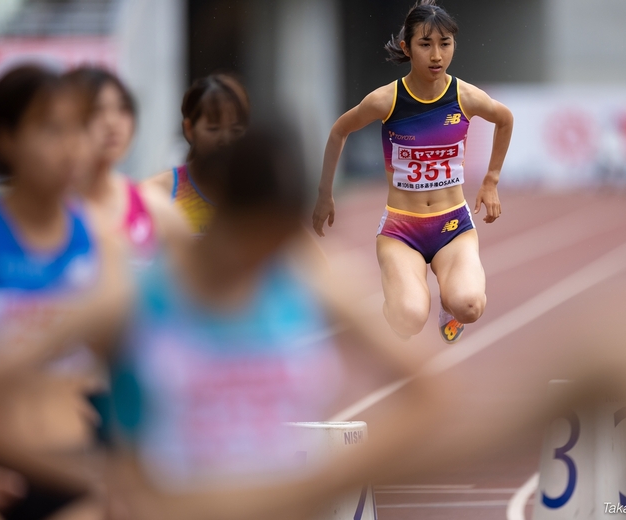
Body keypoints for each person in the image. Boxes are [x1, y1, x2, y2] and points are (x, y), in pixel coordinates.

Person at [104, 121, 449, 520]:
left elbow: (430, 391)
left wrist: (328, 480)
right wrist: (100, 477)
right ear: (222, 208)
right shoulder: (137, 298)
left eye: (283, 238)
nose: (268, 254)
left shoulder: (306, 277)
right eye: (258, 236)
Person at [311, 0, 513, 343]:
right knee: (407, 320)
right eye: (425, 44)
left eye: (445, 44)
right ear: (406, 47)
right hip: (402, 231)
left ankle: (449, 305)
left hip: (453, 226)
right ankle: (402, 295)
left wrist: (491, 180)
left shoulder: (465, 96)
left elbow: (504, 119)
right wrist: (324, 195)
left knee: (469, 304)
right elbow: (339, 131)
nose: (436, 55)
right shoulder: (386, 100)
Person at [0, 64, 113, 520]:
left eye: (78, 129)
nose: (70, 147)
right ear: (6, 137)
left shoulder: (103, 240)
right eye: (50, 128)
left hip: (84, 469)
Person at [65, 67, 188, 264]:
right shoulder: (42, 212)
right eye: (96, 110)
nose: (112, 122)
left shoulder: (153, 208)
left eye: (122, 109)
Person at [142, 74, 249, 237]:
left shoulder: (261, 195)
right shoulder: (160, 192)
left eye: (236, 131)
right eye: (213, 129)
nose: (225, 140)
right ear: (189, 129)